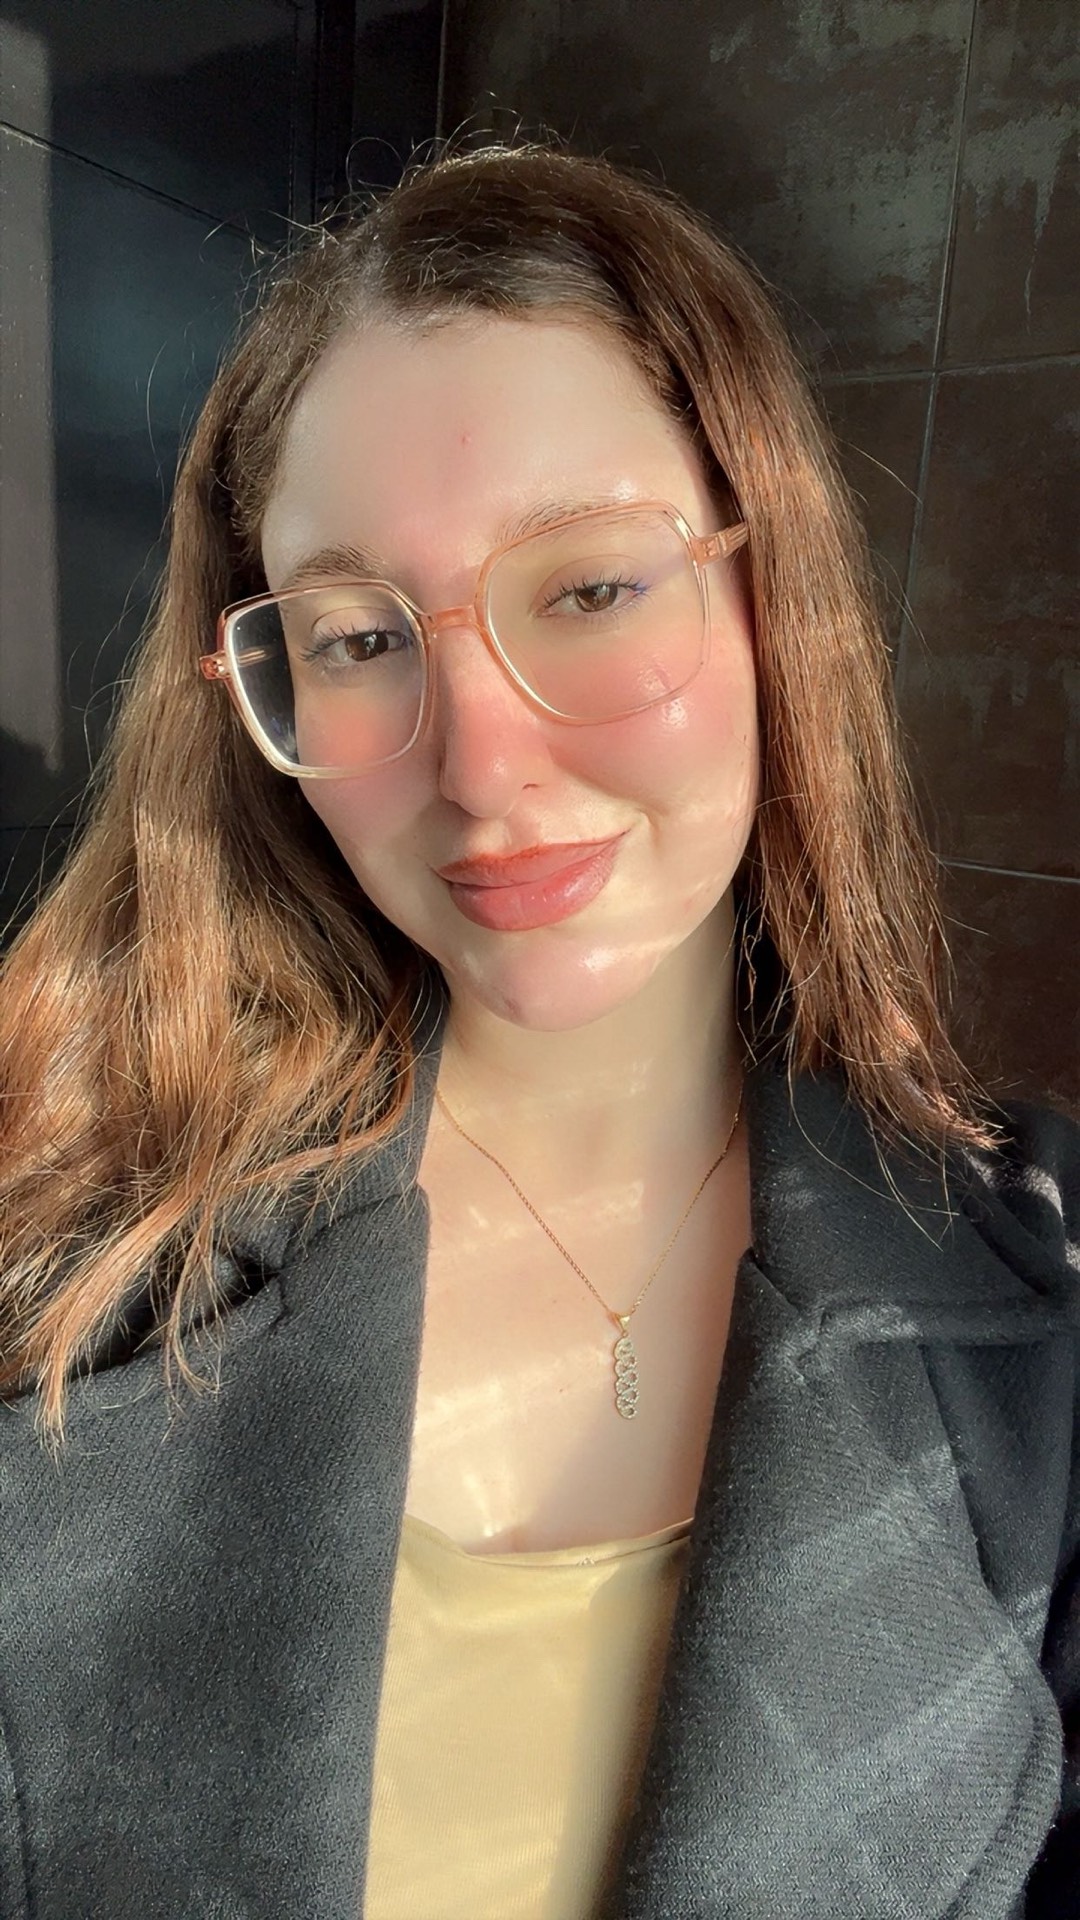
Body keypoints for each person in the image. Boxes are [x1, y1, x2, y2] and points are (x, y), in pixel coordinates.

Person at [0, 141, 1076, 1920]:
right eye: (356, 640)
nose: (483, 768)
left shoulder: (1042, 1296)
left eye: (588, 590)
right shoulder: (69, 1226)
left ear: (774, 594)